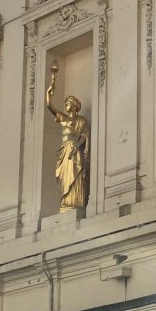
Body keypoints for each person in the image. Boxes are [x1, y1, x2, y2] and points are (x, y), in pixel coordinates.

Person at [46, 66, 90, 209]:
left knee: (74, 174)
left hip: (73, 150)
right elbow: (49, 106)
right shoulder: (63, 118)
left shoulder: (81, 120)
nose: (66, 105)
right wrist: (49, 93)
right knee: (64, 177)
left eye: (68, 103)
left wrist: (78, 147)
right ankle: (65, 200)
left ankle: (74, 201)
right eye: (65, 103)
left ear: (75, 106)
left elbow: (85, 135)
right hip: (64, 151)